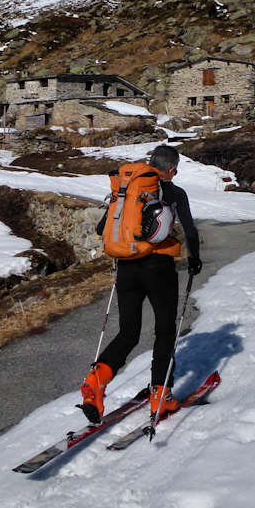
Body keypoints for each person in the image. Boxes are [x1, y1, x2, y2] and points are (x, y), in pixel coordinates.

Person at [79, 144, 203, 423]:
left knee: (129, 332)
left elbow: (102, 229)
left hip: (127, 268)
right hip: (159, 269)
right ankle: (161, 394)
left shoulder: (127, 189)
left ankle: (96, 381)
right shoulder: (172, 192)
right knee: (164, 331)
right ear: (171, 169)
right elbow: (190, 230)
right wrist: (194, 258)